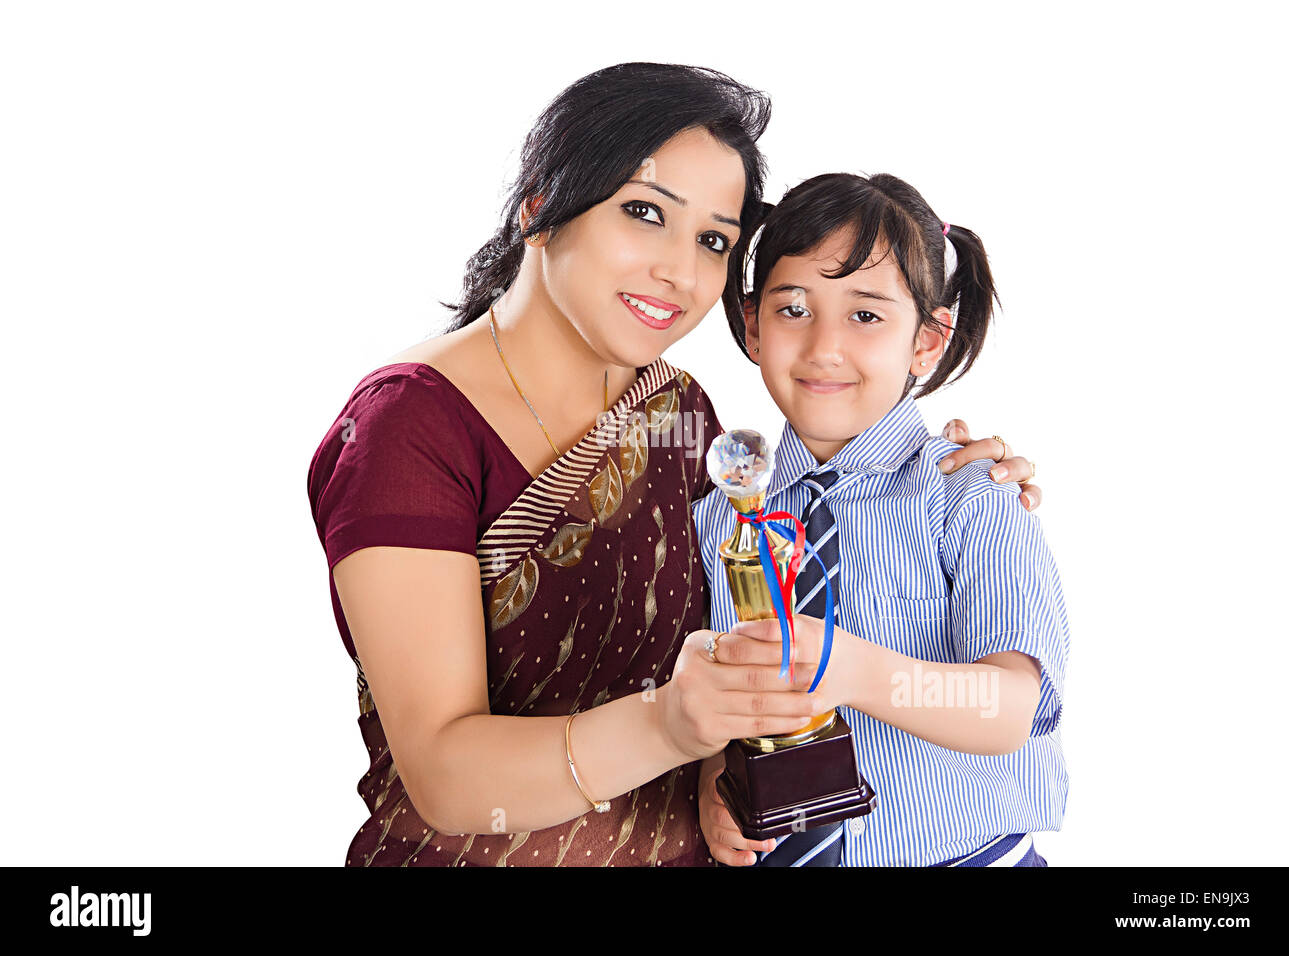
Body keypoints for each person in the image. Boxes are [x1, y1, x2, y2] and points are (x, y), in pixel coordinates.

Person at [307, 63, 1043, 867]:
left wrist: (716, 773)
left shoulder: (681, 421)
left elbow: (726, 658)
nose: (680, 272)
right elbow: (445, 778)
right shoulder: (409, 429)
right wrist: (670, 729)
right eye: (644, 212)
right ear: (541, 206)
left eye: (714, 240)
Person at [693, 172, 1067, 867]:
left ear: (926, 341)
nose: (824, 345)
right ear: (751, 323)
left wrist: (853, 670)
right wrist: (714, 790)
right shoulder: (718, 518)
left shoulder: (969, 493)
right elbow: (719, 698)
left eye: (866, 315)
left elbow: (1014, 707)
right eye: (793, 309)